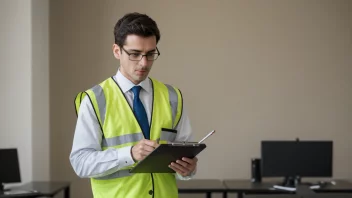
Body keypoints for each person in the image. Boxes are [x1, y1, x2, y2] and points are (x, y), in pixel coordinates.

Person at [70, 12, 197, 198]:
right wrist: (129, 154)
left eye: (150, 54)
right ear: (116, 51)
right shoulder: (94, 100)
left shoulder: (173, 97)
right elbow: (80, 163)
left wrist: (188, 170)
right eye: (135, 54)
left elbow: (184, 156)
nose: (144, 63)